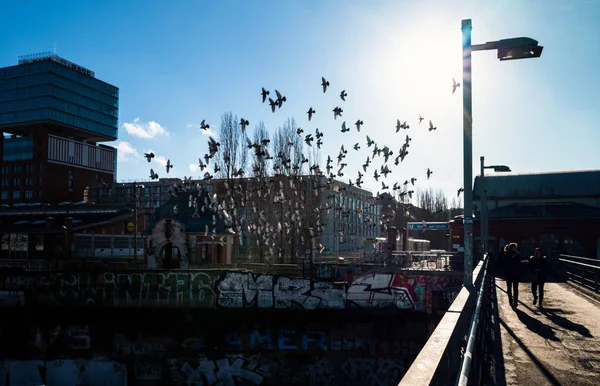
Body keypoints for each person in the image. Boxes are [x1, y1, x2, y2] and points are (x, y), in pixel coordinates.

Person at [502, 242, 527, 308]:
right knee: (513, 288)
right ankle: (512, 301)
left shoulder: (514, 254)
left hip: (512, 274)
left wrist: (522, 263)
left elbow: (518, 263)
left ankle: (513, 301)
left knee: (512, 288)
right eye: (515, 247)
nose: (515, 248)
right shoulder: (507, 254)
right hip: (512, 274)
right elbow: (506, 264)